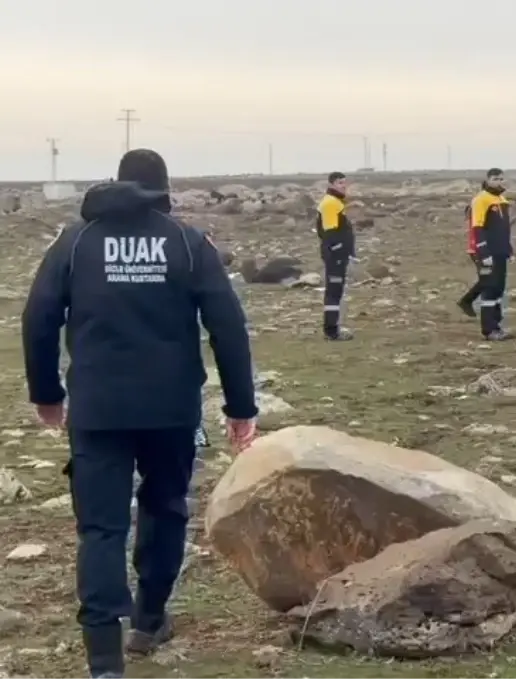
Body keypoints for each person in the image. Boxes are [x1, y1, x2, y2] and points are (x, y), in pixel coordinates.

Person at [21, 149, 258, 679]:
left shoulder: (75, 241)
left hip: (98, 410)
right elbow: (228, 326)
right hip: (171, 408)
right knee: (165, 506)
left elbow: (37, 317)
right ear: (163, 188)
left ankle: (104, 660)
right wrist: (241, 406)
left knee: (100, 528)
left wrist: (46, 392)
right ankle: (149, 619)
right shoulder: (187, 243)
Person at [468, 168, 514, 340]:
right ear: (488, 180)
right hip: (488, 252)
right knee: (490, 288)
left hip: (500, 251)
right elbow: (477, 227)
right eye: (495, 179)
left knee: (498, 289)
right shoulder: (481, 200)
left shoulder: (502, 200)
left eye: (501, 178)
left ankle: (497, 325)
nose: (499, 182)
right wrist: (483, 251)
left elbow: (504, 229)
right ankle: (489, 329)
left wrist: (508, 249)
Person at [315, 171, 355, 341]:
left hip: (338, 254)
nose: (343, 185)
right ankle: (332, 330)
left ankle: (333, 327)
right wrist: (338, 249)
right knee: (334, 291)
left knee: (336, 290)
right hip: (335, 255)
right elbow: (330, 231)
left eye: (344, 182)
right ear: (331, 184)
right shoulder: (330, 203)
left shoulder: (336, 202)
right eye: (339, 183)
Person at [457, 192, 485, 318]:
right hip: (479, 250)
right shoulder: (478, 209)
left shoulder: (476, 207)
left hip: (478, 249)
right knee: (487, 280)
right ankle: (466, 301)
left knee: (487, 279)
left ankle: (468, 302)